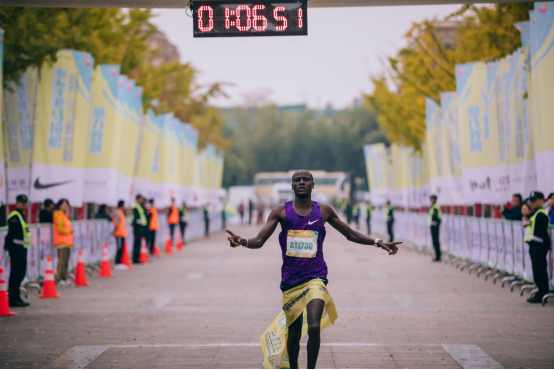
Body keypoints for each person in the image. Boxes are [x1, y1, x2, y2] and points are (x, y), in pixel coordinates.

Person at [226, 170, 401, 370]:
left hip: (316, 277)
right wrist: (243, 241)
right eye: (297, 180)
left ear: (312, 185)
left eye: (305, 180)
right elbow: (259, 240)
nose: (301, 182)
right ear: (292, 186)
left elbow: (350, 234)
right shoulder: (280, 212)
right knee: (293, 334)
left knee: (314, 326)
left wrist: (378, 242)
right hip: (291, 281)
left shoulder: (323, 211)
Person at [524, 191, 551, 304]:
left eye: (534, 200)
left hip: (539, 245)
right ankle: (540, 292)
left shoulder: (541, 214)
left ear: (541, 201)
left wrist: (546, 245)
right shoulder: (536, 213)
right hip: (535, 245)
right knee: (537, 270)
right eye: (531, 200)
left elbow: (542, 232)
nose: (532, 202)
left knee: (540, 270)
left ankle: (542, 293)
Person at [5, 195, 31, 307]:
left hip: (21, 249)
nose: (24, 204)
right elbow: (13, 234)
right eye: (22, 202)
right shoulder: (14, 216)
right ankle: (13, 299)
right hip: (16, 249)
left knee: (20, 274)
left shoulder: (21, 215)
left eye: (25, 202)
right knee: (15, 274)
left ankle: (16, 296)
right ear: (17, 203)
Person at [53, 199, 74, 285]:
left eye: (67, 205)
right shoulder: (58, 215)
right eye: (64, 204)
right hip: (61, 242)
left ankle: (64, 278)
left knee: (65, 262)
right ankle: (59, 278)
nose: (66, 206)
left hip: (67, 243)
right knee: (62, 262)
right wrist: (70, 230)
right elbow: (60, 229)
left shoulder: (64, 215)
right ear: (59, 205)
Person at [131, 195, 147, 264]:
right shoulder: (135, 207)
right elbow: (136, 218)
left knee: (138, 243)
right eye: (140, 199)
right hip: (137, 227)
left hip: (140, 227)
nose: (141, 200)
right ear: (138, 199)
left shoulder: (139, 207)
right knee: (137, 244)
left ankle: (137, 258)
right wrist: (139, 222)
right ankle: (135, 259)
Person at [113, 200, 128, 271]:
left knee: (121, 248)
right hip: (118, 233)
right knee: (119, 248)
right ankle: (117, 263)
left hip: (121, 233)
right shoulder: (118, 213)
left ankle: (119, 263)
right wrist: (114, 231)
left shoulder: (120, 213)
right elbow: (116, 223)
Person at [428, 195, 442, 262]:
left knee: (436, 241)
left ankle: (438, 256)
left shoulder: (435, 206)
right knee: (434, 241)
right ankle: (437, 255)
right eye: (431, 199)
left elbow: (435, 216)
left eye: (432, 199)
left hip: (435, 225)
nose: (431, 200)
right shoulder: (432, 206)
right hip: (432, 225)